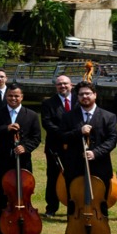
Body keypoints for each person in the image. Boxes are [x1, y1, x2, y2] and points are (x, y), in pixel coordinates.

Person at [58, 81, 117, 234]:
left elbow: (112, 140)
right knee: (73, 201)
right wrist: (79, 131)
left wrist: (95, 153)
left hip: (100, 166)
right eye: (81, 94)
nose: (85, 97)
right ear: (77, 97)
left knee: (101, 202)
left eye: (88, 93)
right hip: (75, 166)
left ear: (95, 95)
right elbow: (62, 137)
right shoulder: (69, 116)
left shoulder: (108, 116)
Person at [0, 85, 41, 234]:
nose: (13, 99)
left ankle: (24, 228)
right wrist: (6, 128)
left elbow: (36, 138)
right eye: (10, 96)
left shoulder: (31, 115)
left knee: (23, 196)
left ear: (22, 97)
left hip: (23, 162)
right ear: (6, 96)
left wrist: (26, 147)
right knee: (2, 196)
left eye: (16, 96)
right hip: (3, 162)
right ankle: (1, 231)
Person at [39, 74, 74, 215]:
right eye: (59, 84)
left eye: (65, 83)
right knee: (53, 176)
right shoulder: (48, 103)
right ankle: (51, 208)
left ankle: (73, 206)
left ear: (71, 85)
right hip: (55, 146)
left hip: (75, 145)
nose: (62, 86)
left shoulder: (79, 100)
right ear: (56, 87)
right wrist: (64, 134)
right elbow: (46, 123)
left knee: (75, 176)